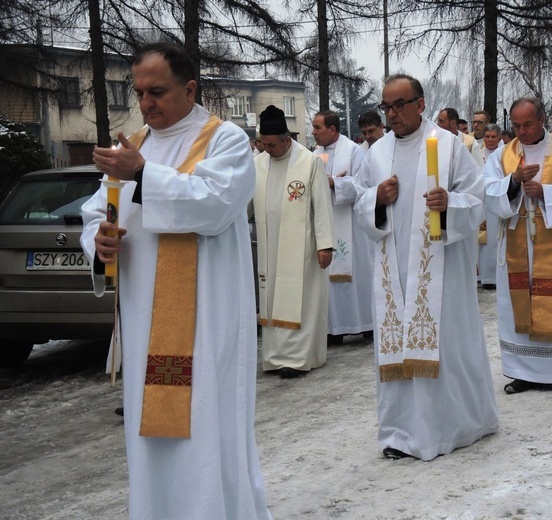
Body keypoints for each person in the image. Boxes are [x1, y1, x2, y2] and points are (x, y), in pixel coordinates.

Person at [80, 42, 271, 519]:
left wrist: (143, 176)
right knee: (153, 438)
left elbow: (213, 206)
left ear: (189, 88)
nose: (147, 103)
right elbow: (97, 212)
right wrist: (97, 243)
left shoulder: (223, 139)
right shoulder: (136, 146)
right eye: (139, 92)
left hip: (207, 321)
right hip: (148, 324)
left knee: (207, 427)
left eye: (158, 92)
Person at [354, 74, 498, 461]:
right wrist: (377, 201)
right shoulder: (377, 152)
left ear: (420, 104)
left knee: (445, 346)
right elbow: (362, 205)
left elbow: (477, 198)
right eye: (386, 106)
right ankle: (400, 431)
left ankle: (450, 426)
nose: (391, 113)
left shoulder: (449, 147)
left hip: (440, 271)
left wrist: (450, 202)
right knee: (397, 347)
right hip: (393, 272)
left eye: (399, 104)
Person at [484, 96, 552, 394]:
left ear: (542, 118)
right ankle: (524, 372)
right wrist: (515, 182)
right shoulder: (502, 155)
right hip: (516, 245)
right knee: (518, 307)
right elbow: (488, 191)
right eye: (517, 125)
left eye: (528, 124)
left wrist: (545, 192)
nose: (522, 131)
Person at [253, 105, 334, 377]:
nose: (268, 150)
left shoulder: (308, 162)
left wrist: (325, 244)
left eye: (272, 144)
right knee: (272, 296)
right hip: (268, 243)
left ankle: (299, 357)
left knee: (301, 298)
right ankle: (275, 356)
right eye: (263, 144)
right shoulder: (257, 164)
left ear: (287, 140)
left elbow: (322, 205)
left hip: (303, 247)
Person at [312, 110, 373, 344]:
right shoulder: (314, 155)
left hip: (350, 223)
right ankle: (333, 329)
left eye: (318, 128)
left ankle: (364, 323)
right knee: (327, 278)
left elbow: (363, 185)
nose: (314, 132)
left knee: (357, 273)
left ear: (333, 129)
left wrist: (333, 183)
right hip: (325, 223)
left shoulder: (354, 151)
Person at [478, 123, 504, 290]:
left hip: (498, 201)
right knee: (483, 241)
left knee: (497, 238)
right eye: (487, 136)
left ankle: (498, 275)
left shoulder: (506, 153)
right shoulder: (477, 153)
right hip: (482, 201)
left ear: (499, 138)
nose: (490, 140)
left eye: (493, 137)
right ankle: (484, 276)